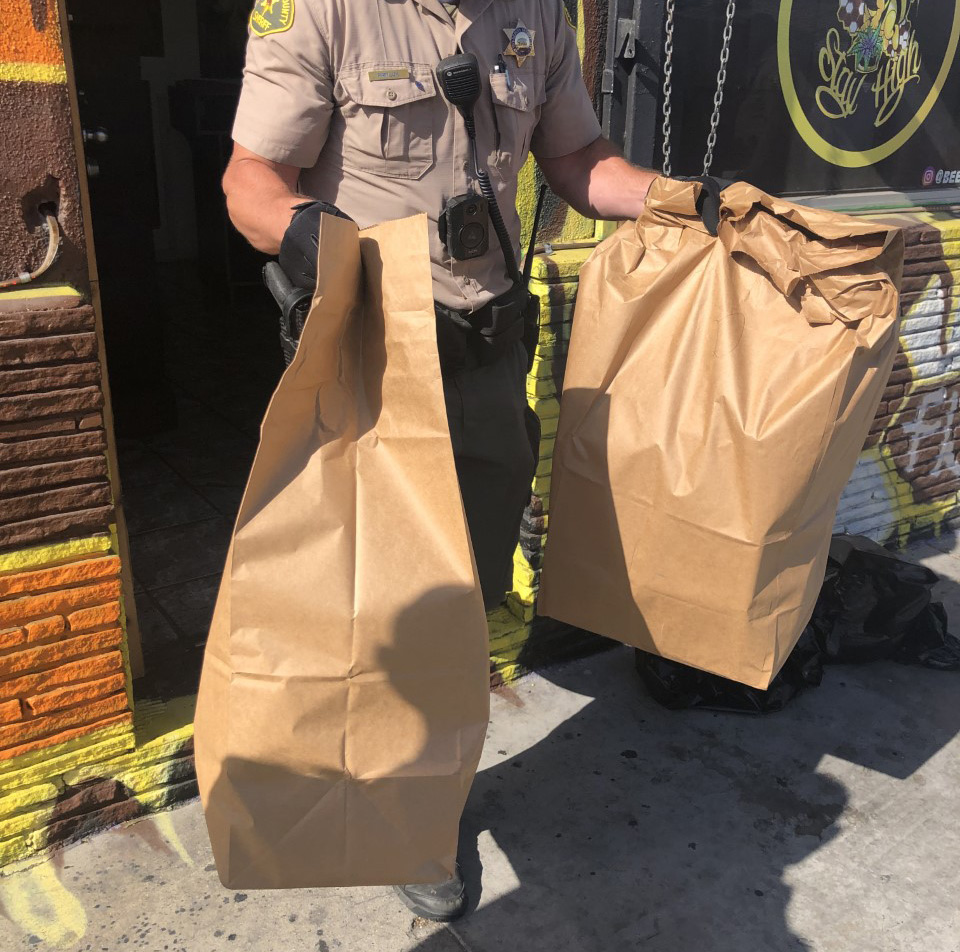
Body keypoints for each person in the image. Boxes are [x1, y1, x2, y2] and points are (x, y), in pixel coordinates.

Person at [222, 0, 658, 922]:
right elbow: (251, 181)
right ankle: (410, 818)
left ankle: (426, 778)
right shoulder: (325, 11)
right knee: (387, 603)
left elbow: (579, 161)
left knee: (469, 594)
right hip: (379, 362)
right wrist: (312, 237)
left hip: (491, 358)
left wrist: (684, 202)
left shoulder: (538, 15)